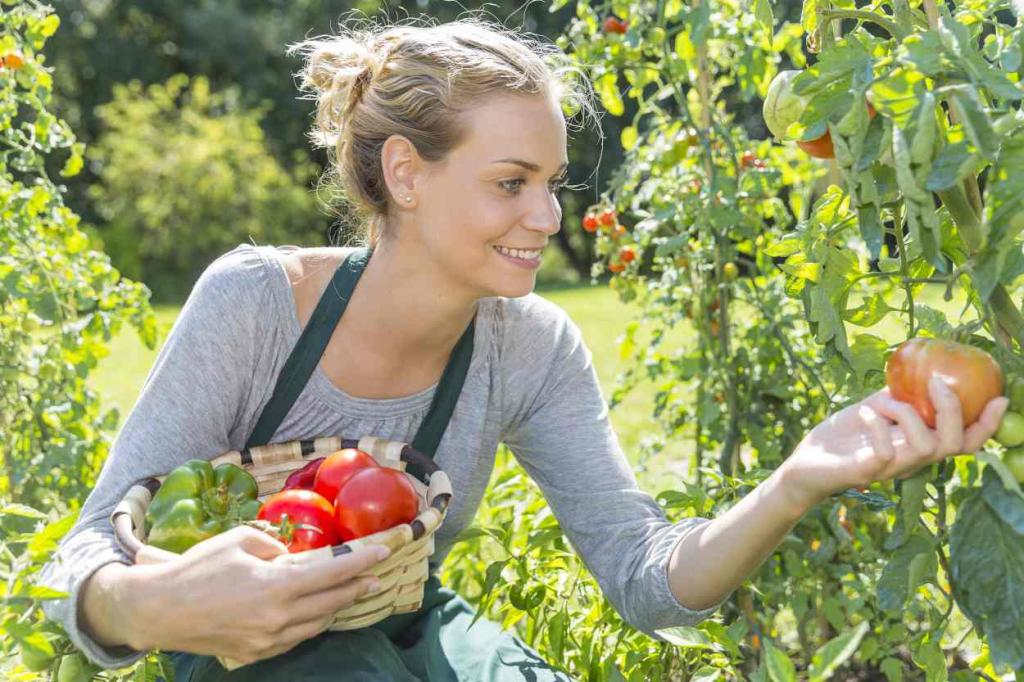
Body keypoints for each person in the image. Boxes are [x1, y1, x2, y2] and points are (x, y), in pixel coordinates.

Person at [38, 15, 1008, 682]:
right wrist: (153, 609)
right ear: (406, 173)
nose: (548, 214)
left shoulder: (529, 346)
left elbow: (645, 576)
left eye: (551, 181)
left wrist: (800, 478)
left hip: (415, 632)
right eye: (511, 182)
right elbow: (84, 551)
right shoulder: (255, 304)